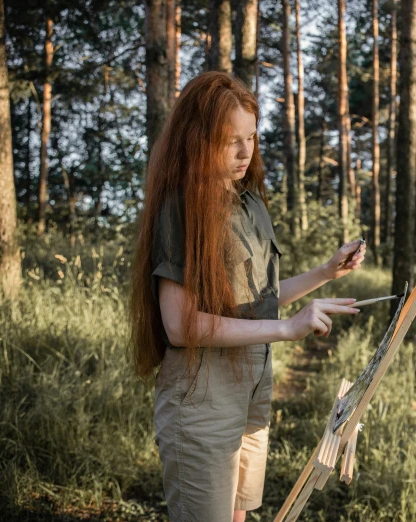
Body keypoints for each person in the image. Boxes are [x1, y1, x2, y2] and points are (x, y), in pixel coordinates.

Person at [129, 72, 367, 522]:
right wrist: (287, 328)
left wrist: (326, 272)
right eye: (229, 140)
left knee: (241, 516)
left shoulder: (249, 201)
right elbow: (180, 326)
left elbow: (259, 300)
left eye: (251, 138)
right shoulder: (181, 207)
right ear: (198, 140)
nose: (245, 152)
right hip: (202, 400)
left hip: (253, 391)